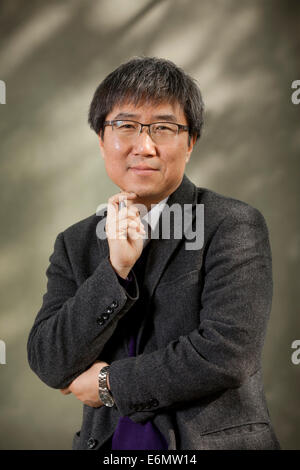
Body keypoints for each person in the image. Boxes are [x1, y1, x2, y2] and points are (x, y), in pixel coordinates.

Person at [27, 57, 281, 450]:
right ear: (101, 139)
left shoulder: (232, 224)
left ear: (190, 141)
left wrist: (110, 384)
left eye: (163, 128)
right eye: (125, 126)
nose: (144, 146)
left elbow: (227, 352)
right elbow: (49, 360)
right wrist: (115, 271)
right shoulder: (74, 243)